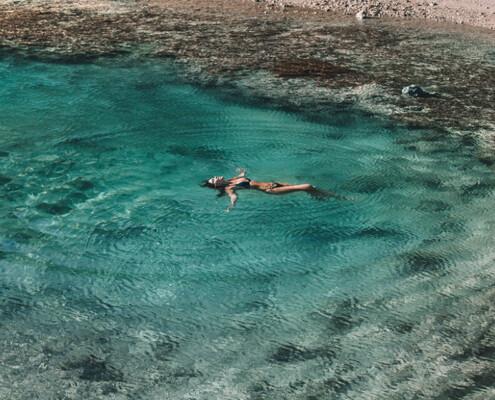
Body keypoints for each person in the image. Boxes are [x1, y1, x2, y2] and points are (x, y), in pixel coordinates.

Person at [202, 169, 332, 211]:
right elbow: (233, 196)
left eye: (213, 177)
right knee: (307, 186)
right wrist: (231, 206)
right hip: (270, 190)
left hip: (274, 184)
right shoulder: (229, 187)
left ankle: (322, 197)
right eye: (214, 180)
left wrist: (241, 171)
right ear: (216, 185)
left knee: (311, 189)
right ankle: (334, 197)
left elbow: (242, 176)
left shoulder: (231, 179)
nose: (215, 177)